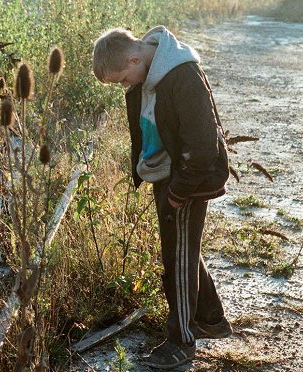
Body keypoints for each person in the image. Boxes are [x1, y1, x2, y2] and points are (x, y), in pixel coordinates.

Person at [92, 26, 233, 369]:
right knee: (182, 250)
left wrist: (179, 191)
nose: (126, 86)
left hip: (187, 181)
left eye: (123, 79)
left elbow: (202, 146)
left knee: (178, 258)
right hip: (166, 176)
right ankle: (211, 318)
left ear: (135, 57)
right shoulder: (147, 74)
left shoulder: (182, 75)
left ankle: (182, 341)